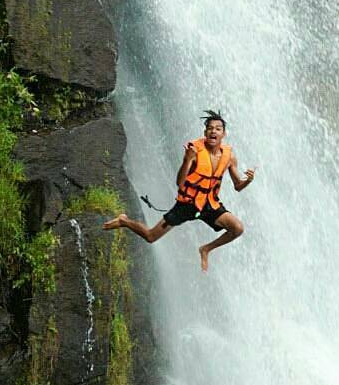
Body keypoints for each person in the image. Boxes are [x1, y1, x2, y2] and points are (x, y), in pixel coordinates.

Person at [102, 111, 255, 271]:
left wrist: (248, 181)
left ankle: (206, 249)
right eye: (209, 128)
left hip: (209, 205)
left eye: (217, 129)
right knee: (150, 236)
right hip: (187, 205)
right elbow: (180, 183)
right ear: (205, 132)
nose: (213, 131)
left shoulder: (229, 157)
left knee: (237, 228)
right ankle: (124, 221)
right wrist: (187, 159)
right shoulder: (194, 152)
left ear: (223, 134)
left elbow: (238, 186)